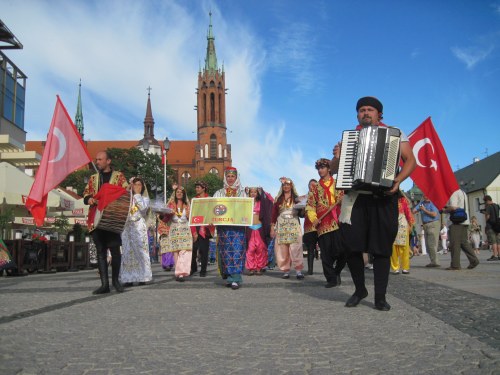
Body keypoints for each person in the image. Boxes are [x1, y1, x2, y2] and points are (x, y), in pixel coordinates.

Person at [330, 96, 416, 311]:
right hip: (356, 198)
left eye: (370, 109)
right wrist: (339, 157)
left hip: (384, 197)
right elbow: (333, 169)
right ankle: (360, 290)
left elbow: (410, 161)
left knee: (382, 249)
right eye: (361, 110)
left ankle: (380, 296)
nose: (365, 113)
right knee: (351, 247)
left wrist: (397, 180)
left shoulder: (395, 133)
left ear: (379, 114)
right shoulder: (350, 138)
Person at [83, 150, 128, 294]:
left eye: (100, 159)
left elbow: (126, 191)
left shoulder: (119, 177)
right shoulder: (93, 178)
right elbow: (85, 194)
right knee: (101, 252)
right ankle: (104, 284)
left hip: (112, 218)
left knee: (115, 251)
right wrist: (89, 199)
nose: (97, 162)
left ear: (108, 161)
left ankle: (115, 281)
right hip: (96, 218)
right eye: (96, 160)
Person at [306, 159, 346, 287]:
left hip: (338, 221)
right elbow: (310, 206)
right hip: (323, 224)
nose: (320, 170)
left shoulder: (338, 184)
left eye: (322, 167)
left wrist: (342, 200)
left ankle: (337, 271)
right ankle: (331, 279)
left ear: (329, 169)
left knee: (343, 251)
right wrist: (314, 219)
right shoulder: (315, 188)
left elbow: (345, 199)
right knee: (326, 254)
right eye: (318, 168)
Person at [213, 167, 247, 289]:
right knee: (226, 251)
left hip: (238, 228)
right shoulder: (219, 193)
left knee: (237, 250)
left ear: (236, 178)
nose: (230, 179)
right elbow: (214, 208)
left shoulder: (242, 193)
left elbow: (246, 209)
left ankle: (236, 277)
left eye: (233, 176)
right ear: (225, 178)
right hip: (224, 228)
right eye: (228, 176)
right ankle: (228, 276)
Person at [120, 177, 153, 286]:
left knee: (140, 250)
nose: (137, 187)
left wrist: (137, 195)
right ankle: (128, 277)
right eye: (135, 185)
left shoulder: (144, 198)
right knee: (127, 251)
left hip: (139, 226)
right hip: (127, 226)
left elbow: (143, 208)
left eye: (139, 185)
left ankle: (142, 276)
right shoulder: (127, 198)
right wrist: (127, 192)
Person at [270, 177, 304, 280]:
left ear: (291, 186)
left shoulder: (297, 198)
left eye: (288, 184)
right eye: (284, 185)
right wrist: (272, 228)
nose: (286, 186)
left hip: (294, 223)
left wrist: (303, 208)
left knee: (296, 247)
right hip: (281, 224)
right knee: (282, 248)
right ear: (282, 186)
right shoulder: (278, 199)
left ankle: (298, 271)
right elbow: (274, 214)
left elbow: (302, 215)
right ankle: (286, 270)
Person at [159, 185, 193, 282]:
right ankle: (179, 273)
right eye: (177, 192)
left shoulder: (187, 205)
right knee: (176, 251)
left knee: (185, 251)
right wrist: (161, 215)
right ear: (175, 193)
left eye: (181, 192)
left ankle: (182, 271)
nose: (179, 193)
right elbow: (165, 219)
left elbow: (191, 218)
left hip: (185, 228)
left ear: (183, 194)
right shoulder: (170, 205)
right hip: (174, 229)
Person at [443, 189, 479, 270]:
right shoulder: (462, 192)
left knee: (455, 243)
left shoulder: (453, 192)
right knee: (463, 242)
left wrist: (444, 210)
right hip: (465, 220)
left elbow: (453, 207)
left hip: (456, 221)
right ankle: (474, 260)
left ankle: (455, 265)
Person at [244, 187, 273, 275]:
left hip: (260, 228)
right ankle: (251, 268)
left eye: (255, 192)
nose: (253, 193)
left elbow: (271, 200)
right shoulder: (246, 203)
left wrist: (263, 191)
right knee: (250, 249)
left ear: (257, 193)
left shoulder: (262, 203)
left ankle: (259, 268)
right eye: (251, 192)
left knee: (260, 248)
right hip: (249, 228)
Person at [190, 181, 213, 277]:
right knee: (193, 250)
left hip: (206, 227)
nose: (196, 189)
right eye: (196, 187)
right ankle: (193, 268)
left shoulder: (210, 200)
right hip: (196, 225)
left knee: (204, 250)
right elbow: (192, 215)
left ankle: (203, 270)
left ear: (204, 188)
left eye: (198, 187)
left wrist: (211, 223)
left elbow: (213, 213)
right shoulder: (194, 200)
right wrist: (193, 231)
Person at [412, 196, 441, 268]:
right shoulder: (422, 204)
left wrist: (424, 210)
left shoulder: (433, 203)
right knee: (428, 244)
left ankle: (435, 262)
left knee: (432, 243)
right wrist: (416, 209)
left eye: (427, 196)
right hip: (425, 225)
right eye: (424, 196)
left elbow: (434, 214)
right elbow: (414, 210)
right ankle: (433, 261)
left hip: (433, 224)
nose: (426, 197)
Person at [390, 192, 415, 274]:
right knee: (393, 247)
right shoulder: (387, 200)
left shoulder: (403, 200)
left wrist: (411, 224)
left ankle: (405, 267)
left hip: (402, 224)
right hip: (392, 223)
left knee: (404, 247)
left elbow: (408, 212)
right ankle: (395, 267)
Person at [302, 179, 318, 275]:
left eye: (314, 185)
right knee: (310, 249)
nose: (312, 187)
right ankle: (310, 269)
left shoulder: (320, 195)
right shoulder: (304, 198)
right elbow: (301, 214)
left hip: (320, 224)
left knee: (325, 249)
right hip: (309, 227)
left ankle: (330, 271)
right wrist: (302, 210)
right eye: (311, 185)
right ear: (308, 187)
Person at [483, 195, 500, 261]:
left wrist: (485, 216)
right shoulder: (497, 205)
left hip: (491, 226)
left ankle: (495, 255)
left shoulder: (488, 206)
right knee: (498, 242)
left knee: (493, 242)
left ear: (486, 200)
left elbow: (488, 216)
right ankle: (499, 255)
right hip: (498, 225)